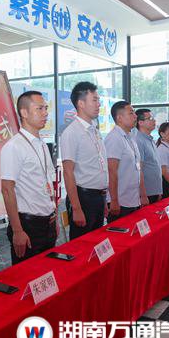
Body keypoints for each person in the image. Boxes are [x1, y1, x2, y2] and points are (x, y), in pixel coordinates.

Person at [1, 91, 57, 265]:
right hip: (28, 225)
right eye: (39, 108)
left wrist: (53, 215)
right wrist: (17, 230)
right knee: (28, 276)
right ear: (24, 113)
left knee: (47, 273)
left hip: (48, 221)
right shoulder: (14, 147)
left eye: (46, 108)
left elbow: (47, 183)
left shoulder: (42, 144)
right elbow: (7, 190)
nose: (45, 113)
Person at [59, 82, 108, 240]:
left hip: (98, 197)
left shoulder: (94, 130)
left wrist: (103, 200)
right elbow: (68, 172)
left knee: (96, 243)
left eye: (98, 100)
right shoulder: (71, 133)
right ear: (81, 103)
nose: (98, 104)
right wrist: (76, 208)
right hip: (83, 198)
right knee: (82, 246)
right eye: (94, 100)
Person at [104, 101, 149, 222]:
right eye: (131, 113)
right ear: (119, 118)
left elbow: (138, 168)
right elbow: (111, 171)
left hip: (133, 199)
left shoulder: (130, 137)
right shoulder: (114, 138)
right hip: (120, 202)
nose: (135, 116)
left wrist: (143, 194)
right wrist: (114, 200)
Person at [135, 109, 162, 203]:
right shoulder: (138, 141)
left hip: (154, 190)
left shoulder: (150, 140)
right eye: (150, 118)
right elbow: (139, 169)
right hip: (146, 193)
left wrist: (158, 190)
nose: (154, 120)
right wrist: (143, 194)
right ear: (140, 122)